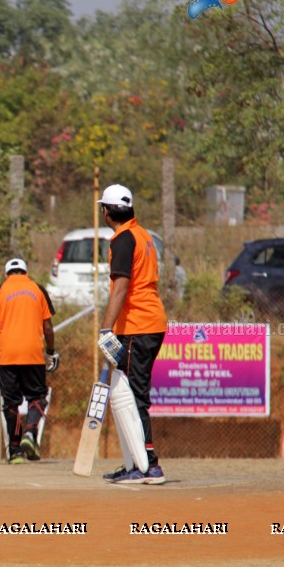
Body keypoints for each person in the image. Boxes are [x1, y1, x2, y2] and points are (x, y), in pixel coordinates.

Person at [95, 184, 167, 485]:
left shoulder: (123, 240)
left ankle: (148, 466)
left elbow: (122, 288)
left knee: (134, 396)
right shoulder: (143, 234)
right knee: (129, 394)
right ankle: (135, 464)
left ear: (106, 211)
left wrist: (105, 328)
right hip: (150, 322)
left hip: (137, 325)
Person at [0, 259, 58, 464]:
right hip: (33, 354)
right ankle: (30, 434)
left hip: (7, 356)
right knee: (38, 397)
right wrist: (51, 352)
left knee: (11, 403)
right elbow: (48, 328)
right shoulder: (38, 289)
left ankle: (15, 451)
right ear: (25, 272)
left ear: (7, 274)